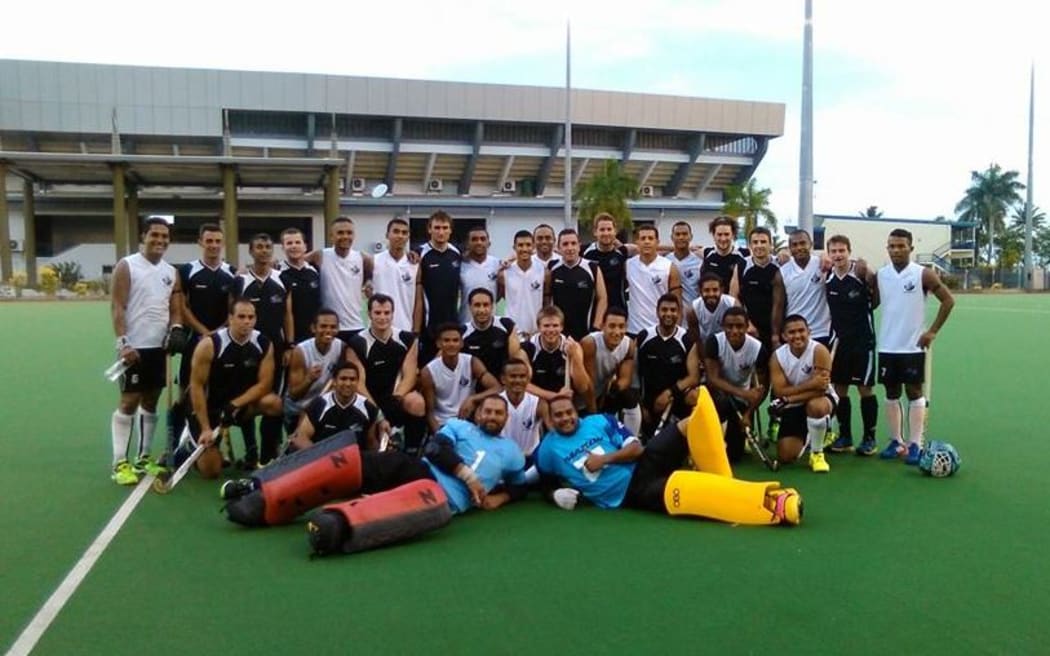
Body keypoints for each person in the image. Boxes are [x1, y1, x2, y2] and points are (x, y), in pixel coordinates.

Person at [533, 397, 801, 525]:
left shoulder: (598, 421)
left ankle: (727, 484)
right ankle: (771, 507)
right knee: (688, 485)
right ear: (550, 419)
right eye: (558, 415)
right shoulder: (548, 449)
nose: (566, 418)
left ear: (575, 410)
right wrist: (555, 494)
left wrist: (604, 459)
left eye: (569, 412)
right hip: (631, 493)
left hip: (643, 461)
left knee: (691, 422)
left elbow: (636, 449)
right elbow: (540, 481)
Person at [109, 216, 183, 484]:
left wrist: (176, 329)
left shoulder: (170, 272)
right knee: (129, 402)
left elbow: (174, 308)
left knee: (151, 401)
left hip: (159, 349)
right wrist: (123, 343)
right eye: (155, 235)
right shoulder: (127, 266)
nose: (160, 240)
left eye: (164, 237)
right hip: (134, 348)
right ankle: (119, 463)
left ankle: (143, 456)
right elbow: (118, 306)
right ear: (143, 236)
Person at [875, 228, 954, 464]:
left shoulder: (923, 274)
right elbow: (872, 302)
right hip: (887, 344)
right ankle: (896, 441)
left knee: (914, 392)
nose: (896, 250)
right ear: (887, 248)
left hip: (912, 346)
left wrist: (932, 332)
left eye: (901, 246)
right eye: (892, 246)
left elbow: (948, 300)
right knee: (891, 392)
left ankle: (915, 444)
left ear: (911, 248)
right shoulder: (881, 275)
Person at [178, 299, 283, 464]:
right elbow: (196, 387)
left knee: (274, 403)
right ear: (231, 318)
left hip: (237, 406)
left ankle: (266, 457)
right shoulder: (210, 344)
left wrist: (235, 404)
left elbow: (265, 385)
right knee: (211, 470)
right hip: (208, 408)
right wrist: (205, 428)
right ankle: (190, 445)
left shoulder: (263, 343)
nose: (247, 321)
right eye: (241, 317)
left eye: (251, 317)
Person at [171, 222, 235, 456]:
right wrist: (202, 331)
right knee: (185, 394)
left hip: (221, 343)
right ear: (200, 243)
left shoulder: (231, 271)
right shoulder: (187, 271)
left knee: (216, 394)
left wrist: (217, 333)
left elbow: (233, 309)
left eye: (218, 241)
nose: (214, 245)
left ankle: (216, 443)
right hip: (194, 341)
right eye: (209, 241)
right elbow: (182, 306)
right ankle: (176, 446)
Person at [233, 233, 294, 466]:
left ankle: (268, 454)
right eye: (259, 247)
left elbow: (288, 315)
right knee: (248, 398)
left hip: (277, 350)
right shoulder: (240, 281)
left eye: (268, 247)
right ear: (250, 251)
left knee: (274, 400)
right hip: (248, 351)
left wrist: (289, 344)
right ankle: (251, 450)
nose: (264, 250)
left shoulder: (282, 280)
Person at [345, 294, 428, 453]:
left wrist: (394, 401)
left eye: (386, 313)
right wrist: (379, 414)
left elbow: (410, 375)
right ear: (369, 314)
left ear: (392, 314)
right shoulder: (357, 342)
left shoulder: (406, 339)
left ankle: (412, 452)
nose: (382, 317)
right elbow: (359, 384)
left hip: (395, 397)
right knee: (377, 449)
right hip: (368, 400)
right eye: (377, 313)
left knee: (416, 402)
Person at [824, 235, 880, 455]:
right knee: (840, 389)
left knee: (865, 389)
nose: (838, 255)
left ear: (849, 251)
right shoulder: (827, 276)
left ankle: (869, 438)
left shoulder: (860, 273)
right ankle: (845, 436)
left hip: (862, 341)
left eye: (842, 251)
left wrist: (870, 276)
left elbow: (875, 301)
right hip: (839, 342)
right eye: (834, 251)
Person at [768, 314, 837, 473]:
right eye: (791, 332)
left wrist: (789, 398)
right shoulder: (777, 357)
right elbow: (779, 391)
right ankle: (811, 433)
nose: (797, 336)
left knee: (816, 406)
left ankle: (817, 453)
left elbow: (820, 389)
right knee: (785, 456)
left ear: (809, 332)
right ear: (784, 336)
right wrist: (811, 384)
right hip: (793, 403)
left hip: (822, 399)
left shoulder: (819, 350)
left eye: (801, 331)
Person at [702, 307, 764, 463]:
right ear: (723, 326)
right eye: (729, 326)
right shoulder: (714, 342)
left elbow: (761, 388)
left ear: (746, 326)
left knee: (734, 456)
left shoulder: (758, 349)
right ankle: (709, 442)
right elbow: (712, 379)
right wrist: (744, 394)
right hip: (717, 393)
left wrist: (748, 414)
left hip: (740, 399)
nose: (734, 331)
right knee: (720, 402)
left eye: (739, 326)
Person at [420, 322, 501, 434]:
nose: (451, 344)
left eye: (455, 340)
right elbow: (430, 412)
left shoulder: (472, 362)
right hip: (444, 423)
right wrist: (439, 434)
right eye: (446, 340)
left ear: (461, 343)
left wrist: (473, 399)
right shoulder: (428, 371)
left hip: (468, 420)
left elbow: (497, 388)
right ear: (438, 343)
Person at [635, 293, 701, 431]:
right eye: (664, 310)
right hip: (649, 400)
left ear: (679, 313)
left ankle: (691, 435)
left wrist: (669, 393)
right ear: (657, 312)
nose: (668, 314)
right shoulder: (644, 337)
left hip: (674, 396)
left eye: (673, 310)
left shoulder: (687, 339)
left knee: (694, 396)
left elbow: (693, 378)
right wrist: (640, 406)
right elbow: (634, 375)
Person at [287, 361, 381, 452]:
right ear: (334, 381)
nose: (348, 384)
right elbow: (301, 437)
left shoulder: (368, 408)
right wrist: (322, 456)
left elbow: (371, 442)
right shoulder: (320, 404)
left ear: (357, 382)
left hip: (354, 461)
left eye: (352, 379)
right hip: (324, 460)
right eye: (343, 379)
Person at [737, 227, 785, 398]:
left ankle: (776, 420)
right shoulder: (743, 265)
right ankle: (746, 416)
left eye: (763, 242)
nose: (759, 246)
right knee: (759, 379)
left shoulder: (780, 264)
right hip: (753, 332)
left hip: (778, 332)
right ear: (749, 245)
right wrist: (747, 324)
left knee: (780, 377)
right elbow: (735, 298)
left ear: (771, 245)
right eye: (755, 242)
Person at [307, 217, 372, 343]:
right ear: (331, 236)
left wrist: (369, 281)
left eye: (349, 233)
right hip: (330, 326)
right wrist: (274, 263)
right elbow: (296, 262)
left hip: (356, 324)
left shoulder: (363, 258)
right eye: (340, 233)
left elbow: (382, 267)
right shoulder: (320, 255)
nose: (345, 236)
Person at [580, 307, 642, 435]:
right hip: (582, 398)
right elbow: (588, 384)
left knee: (629, 396)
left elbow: (625, 380)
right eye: (612, 326)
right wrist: (594, 415)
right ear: (602, 326)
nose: (617, 331)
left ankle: (632, 439)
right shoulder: (589, 343)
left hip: (603, 392)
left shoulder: (628, 344)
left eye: (621, 326)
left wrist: (613, 389)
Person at [283, 308, 346, 433]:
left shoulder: (341, 347)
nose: (328, 331)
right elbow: (294, 395)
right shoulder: (301, 351)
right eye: (323, 326)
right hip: (298, 409)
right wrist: (309, 379)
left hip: (322, 406)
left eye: (333, 327)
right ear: (313, 328)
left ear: (338, 329)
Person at [520, 305, 594, 409]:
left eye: (555, 326)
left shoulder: (573, 346)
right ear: (539, 326)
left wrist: (575, 358)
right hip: (536, 403)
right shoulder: (527, 348)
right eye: (546, 326)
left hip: (564, 404)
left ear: (562, 327)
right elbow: (523, 385)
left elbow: (583, 387)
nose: (551, 330)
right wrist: (555, 397)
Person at [414, 211, 462, 364]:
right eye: (437, 228)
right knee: (427, 367)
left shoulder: (456, 253)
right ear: (429, 229)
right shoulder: (418, 253)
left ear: (450, 230)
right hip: (429, 324)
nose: (441, 232)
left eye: (445, 228)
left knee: (450, 365)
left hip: (452, 321)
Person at [547, 228, 607, 340]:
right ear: (558, 248)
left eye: (573, 243)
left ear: (579, 246)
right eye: (565, 244)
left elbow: (602, 298)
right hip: (559, 334)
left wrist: (596, 326)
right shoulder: (552, 268)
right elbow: (547, 297)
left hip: (586, 331)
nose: (570, 248)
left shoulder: (592, 267)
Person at [626, 224, 680, 336]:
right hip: (634, 329)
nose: (647, 242)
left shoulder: (669, 267)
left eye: (651, 238)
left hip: (660, 329)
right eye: (643, 238)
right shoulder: (628, 265)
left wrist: (676, 329)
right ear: (637, 242)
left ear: (657, 242)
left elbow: (677, 302)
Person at [780, 230, 832, 345]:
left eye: (803, 243)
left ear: (811, 244)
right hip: (794, 332)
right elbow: (778, 306)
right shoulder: (783, 271)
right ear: (789, 248)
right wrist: (775, 335)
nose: (799, 247)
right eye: (794, 245)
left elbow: (844, 262)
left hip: (821, 331)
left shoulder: (822, 264)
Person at [371, 216, 418, 334]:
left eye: (404, 233)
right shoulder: (374, 261)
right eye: (396, 231)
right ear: (387, 235)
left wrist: (416, 330)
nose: (400, 236)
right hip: (378, 329)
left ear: (408, 237)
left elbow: (418, 300)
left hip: (405, 328)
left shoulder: (415, 264)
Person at [462, 288, 521, 379]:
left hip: (502, 382)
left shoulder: (506, 325)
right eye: (477, 305)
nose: (482, 310)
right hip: (473, 384)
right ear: (470, 307)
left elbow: (515, 358)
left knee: (522, 354)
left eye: (486, 305)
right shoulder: (462, 331)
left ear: (492, 306)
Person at [498, 229, 549, 335]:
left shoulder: (543, 271)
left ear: (533, 247)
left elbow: (546, 299)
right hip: (512, 331)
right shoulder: (504, 273)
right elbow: (503, 296)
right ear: (514, 247)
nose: (524, 249)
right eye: (520, 245)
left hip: (536, 331)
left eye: (528, 245)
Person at [583, 213, 633, 317]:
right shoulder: (586, 253)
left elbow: (640, 249)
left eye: (609, 229)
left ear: (615, 231)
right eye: (602, 230)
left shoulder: (621, 253)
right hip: (593, 312)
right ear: (595, 232)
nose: (606, 233)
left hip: (617, 310)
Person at [278, 227, 321, 345]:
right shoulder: (278, 274)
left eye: (297, 242)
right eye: (289, 243)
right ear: (283, 248)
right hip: (292, 339)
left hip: (316, 335)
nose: (294, 246)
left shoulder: (315, 271)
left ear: (305, 246)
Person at [498, 359, 548, 459]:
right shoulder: (494, 403)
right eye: (513, 376)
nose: (518, 380)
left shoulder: (539, 403)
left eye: (522, 376)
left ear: (528, 379)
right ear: (503, 379)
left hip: (531, 459)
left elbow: (554, 431)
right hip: (503, 458)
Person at [458, 225, 501, 322]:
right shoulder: (460, 265)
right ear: (468, 244)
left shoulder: (497, 264)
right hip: (466, 322)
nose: (479, 242)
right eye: (474, 239)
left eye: (482, 239)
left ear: (489, 243)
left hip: (491, 324)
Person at [685, 272, 740, 345]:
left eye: (715, 290)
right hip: (705, 343)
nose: (711, 294)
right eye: (707, 290)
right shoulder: (693, 310)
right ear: (700, 291)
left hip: (728, 343)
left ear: (721, 290)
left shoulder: (732, 304)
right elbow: (696, 339)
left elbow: (739, 332)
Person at [700, 216, 750, 297]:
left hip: (734, 306)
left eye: (726, 234)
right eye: (719, 234)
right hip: (712, 305)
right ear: (713, 235)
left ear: (733, 235)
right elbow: (688, 248)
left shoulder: (744, 254)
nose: (723, 239)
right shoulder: (707, 253)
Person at [665, 220, 702, 313]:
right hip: (670, 315)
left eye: (685, 234)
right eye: (677, 234)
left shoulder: (700, 262)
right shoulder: (665, 262)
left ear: (691, 237)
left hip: (693, 316)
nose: (681, 237)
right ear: (672, 237)